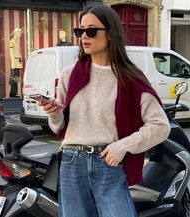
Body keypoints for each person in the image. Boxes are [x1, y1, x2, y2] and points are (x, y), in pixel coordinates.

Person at [39, 5, 170, 217]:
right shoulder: (69, 74)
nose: (84, 37)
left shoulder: (131, 78)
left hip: (108, 162)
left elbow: (160, 126)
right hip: (72, 162)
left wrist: (123, 146)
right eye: (80, 31)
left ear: (110, 34)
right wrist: (53, 112)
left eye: (91, 31)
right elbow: (58, 127)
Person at [9, 28, 23, 97]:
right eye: (19, 34)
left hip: (18, 62)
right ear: (16, 33)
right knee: (15, 78)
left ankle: (13, 93)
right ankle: (14, 93)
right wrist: (13, 62)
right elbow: (11, 52)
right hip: (15, 63)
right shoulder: (12, 41)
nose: (20, 35)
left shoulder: (16, 42)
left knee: (16, 78)